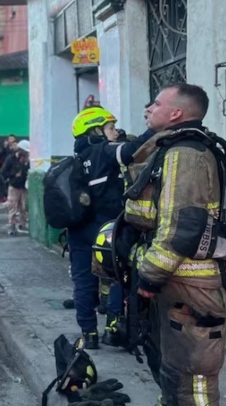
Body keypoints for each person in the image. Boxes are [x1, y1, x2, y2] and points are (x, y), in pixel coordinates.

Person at [125, 84, 226, 405]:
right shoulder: (173, 148)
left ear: (176, 113)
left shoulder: (184, 155)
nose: (149, 108)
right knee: (173, 366)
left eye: (156, 103)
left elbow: (180, 228)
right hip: (177, 282)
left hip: (188, 283)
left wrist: (148, 278)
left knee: (194, 374)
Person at [68, 105, 155, 349]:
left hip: (77, 230)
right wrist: (155, 127)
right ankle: (113, 327)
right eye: (110, 128)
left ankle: (89, 334)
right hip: (106, 229)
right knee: (118, 274)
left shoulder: (78, 156)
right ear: (95, 131)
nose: (115, 132)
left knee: (83, 282)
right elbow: (130, 151)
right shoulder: (103, 151)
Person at [1, 139, 30, 236]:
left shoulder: (27, 160)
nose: (26, 153)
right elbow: (3, 172)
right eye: (25, 151)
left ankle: (23, 224)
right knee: (13, 206)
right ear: (20, 150)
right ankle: (12, 225)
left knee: (23, 206)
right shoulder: (11, 159)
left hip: (24, 186)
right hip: (14, 186)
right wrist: (14, 175)